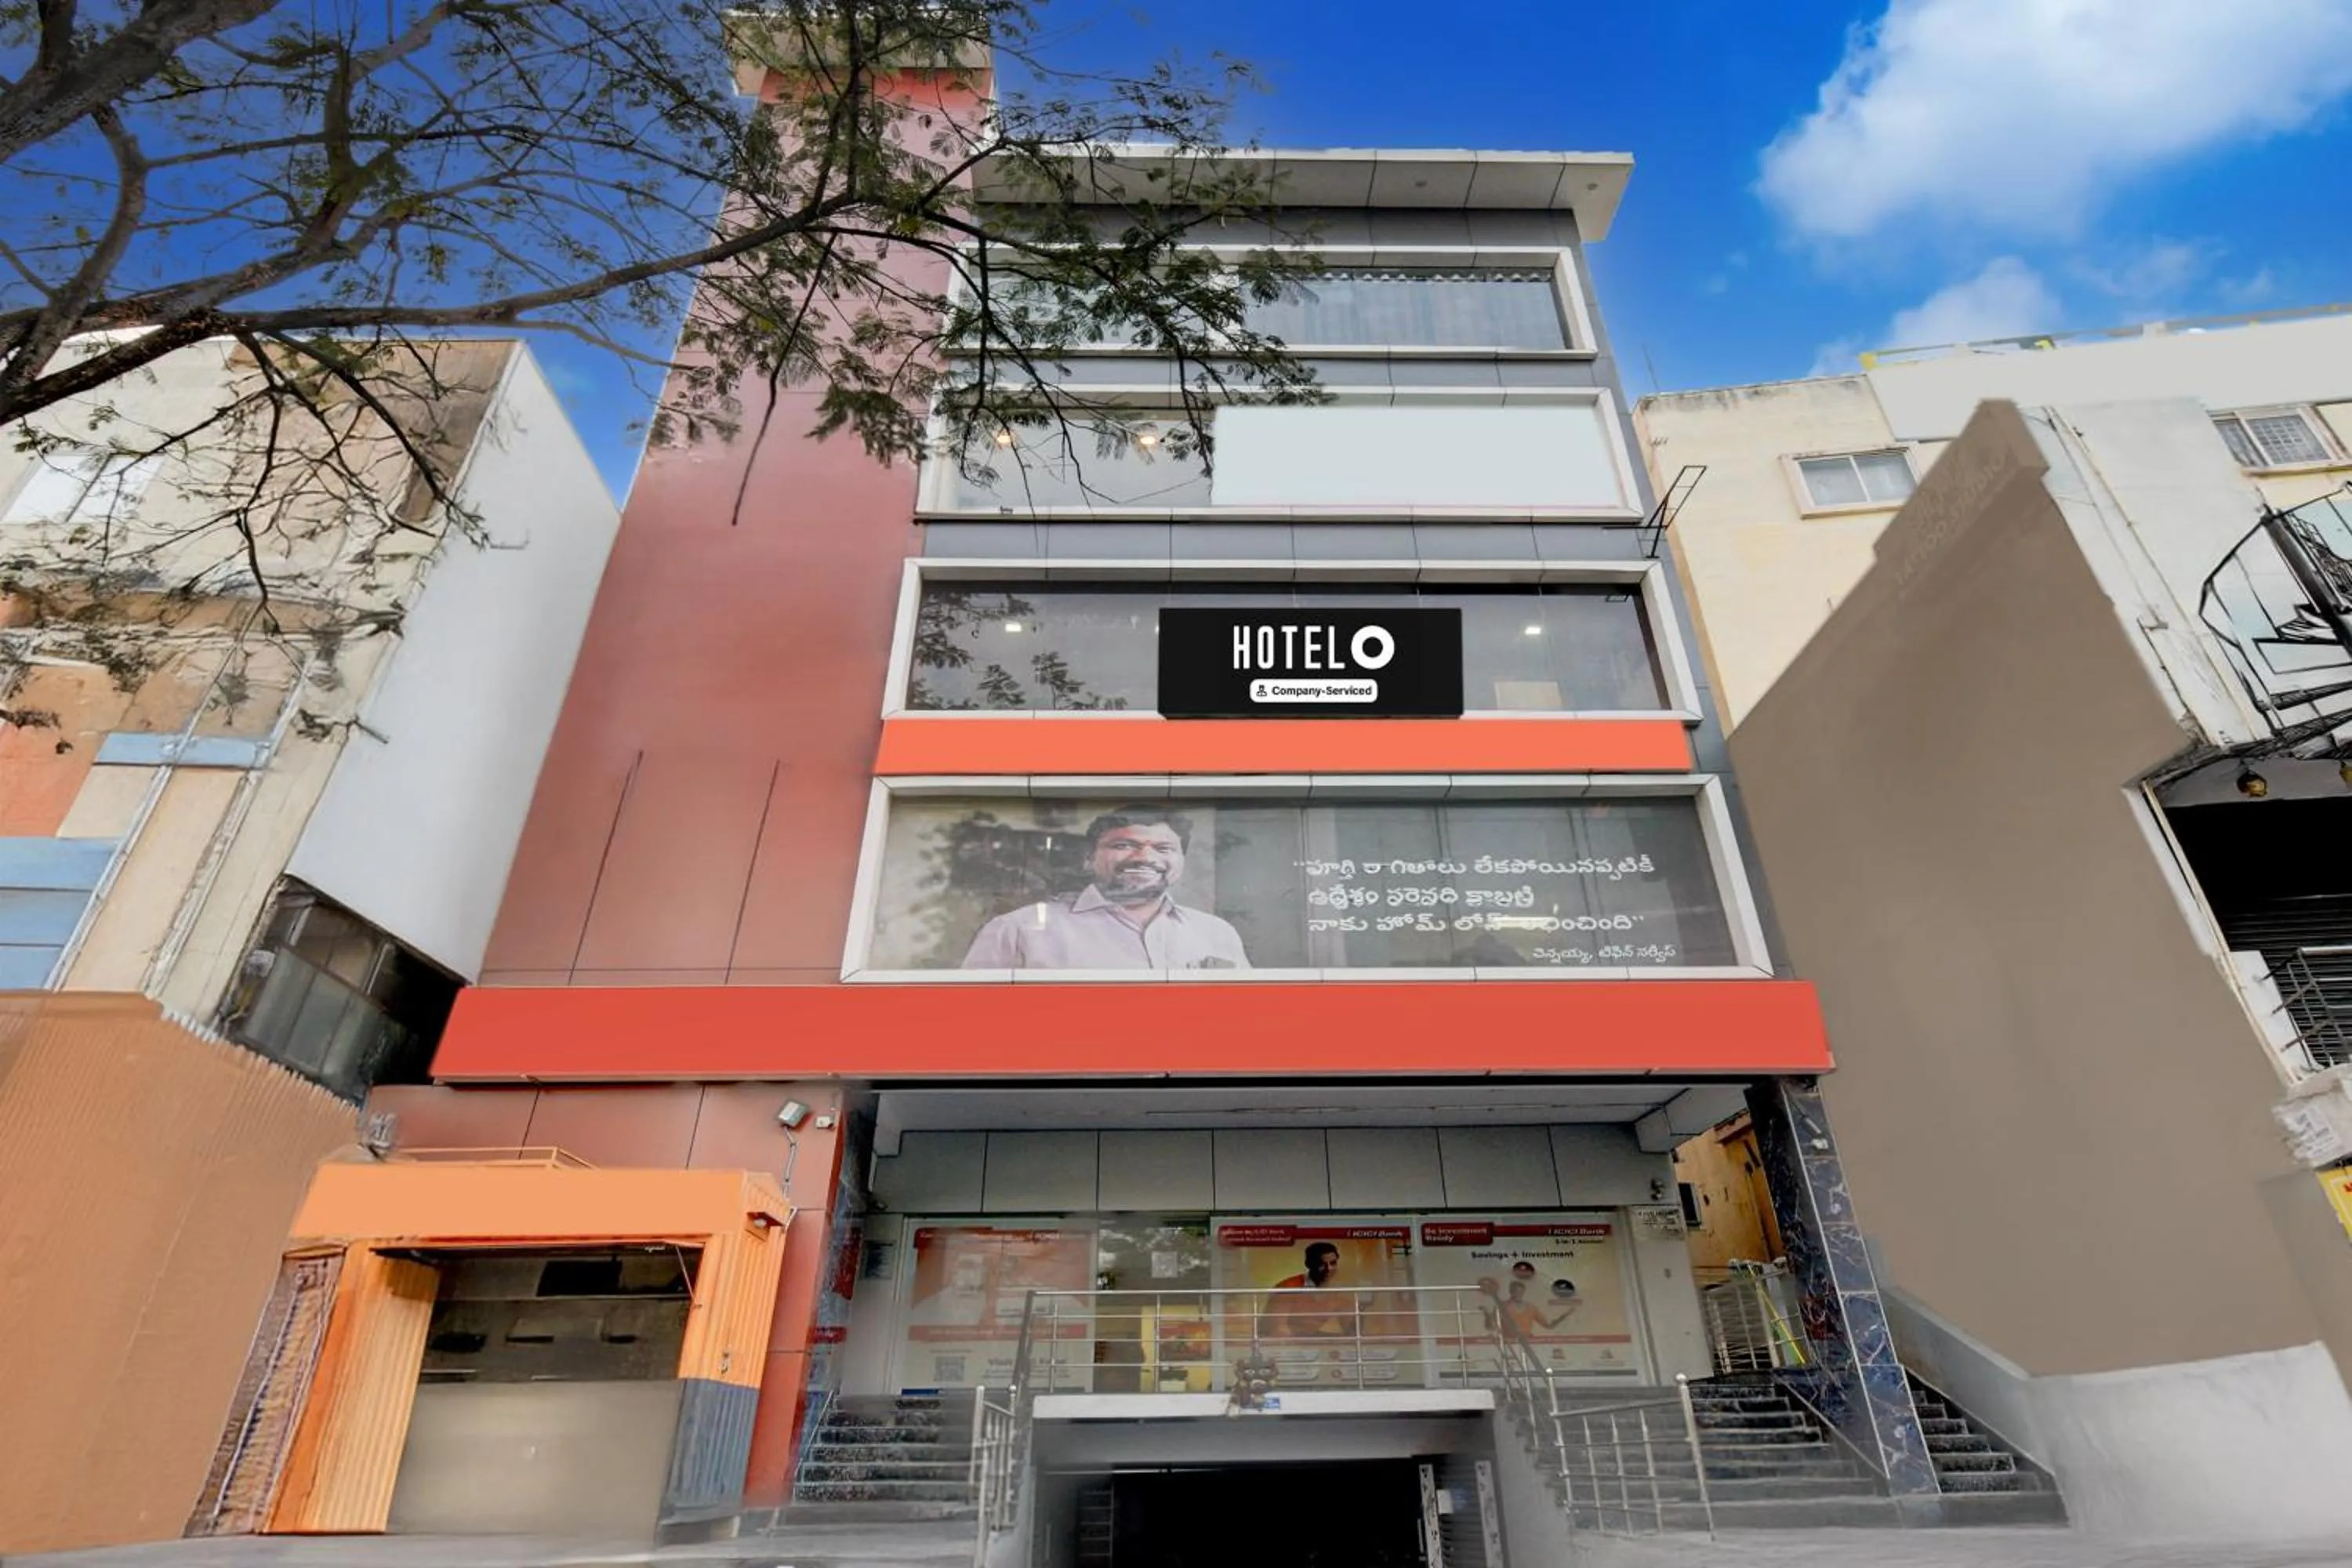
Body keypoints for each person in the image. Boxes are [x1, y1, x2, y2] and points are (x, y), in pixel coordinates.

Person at [960, 807, 1249, 971]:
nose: (1145, 858)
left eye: (1164, 848)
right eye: (1124, 845)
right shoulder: (1017, 929)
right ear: (1089, 858)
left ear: (1180, 861)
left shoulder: (1215, 932)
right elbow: (969, 1017)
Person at [1258, 1241, 1355, 1341]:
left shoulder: (1341, 1290)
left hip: (1308, 1339)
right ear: (1309, 1264)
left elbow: (1352, 1331)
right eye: (1322, 1264)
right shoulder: (1288, 1288)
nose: (1329, 1269)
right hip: (1279, 1344)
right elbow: (1277, 1330)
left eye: (1333, 1263)